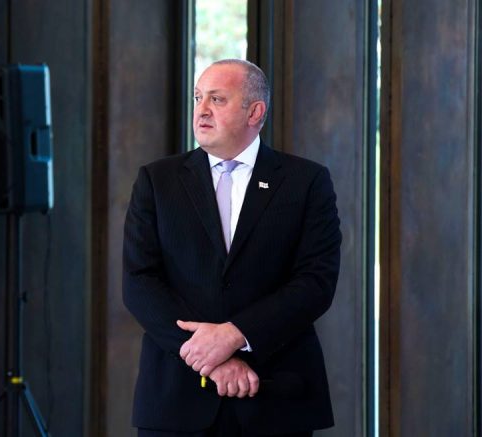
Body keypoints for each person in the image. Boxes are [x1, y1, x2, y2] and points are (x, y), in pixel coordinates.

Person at [122, 59, 341, 437]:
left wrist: (237, 334)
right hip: (176, 401)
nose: (202, 110)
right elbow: (139, 282)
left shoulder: (306, 181)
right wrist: (211, 359)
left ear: (254, 112)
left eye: (217, 99)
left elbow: (315, 282)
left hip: (275, 398)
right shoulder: (157, 181)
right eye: (198, 98)